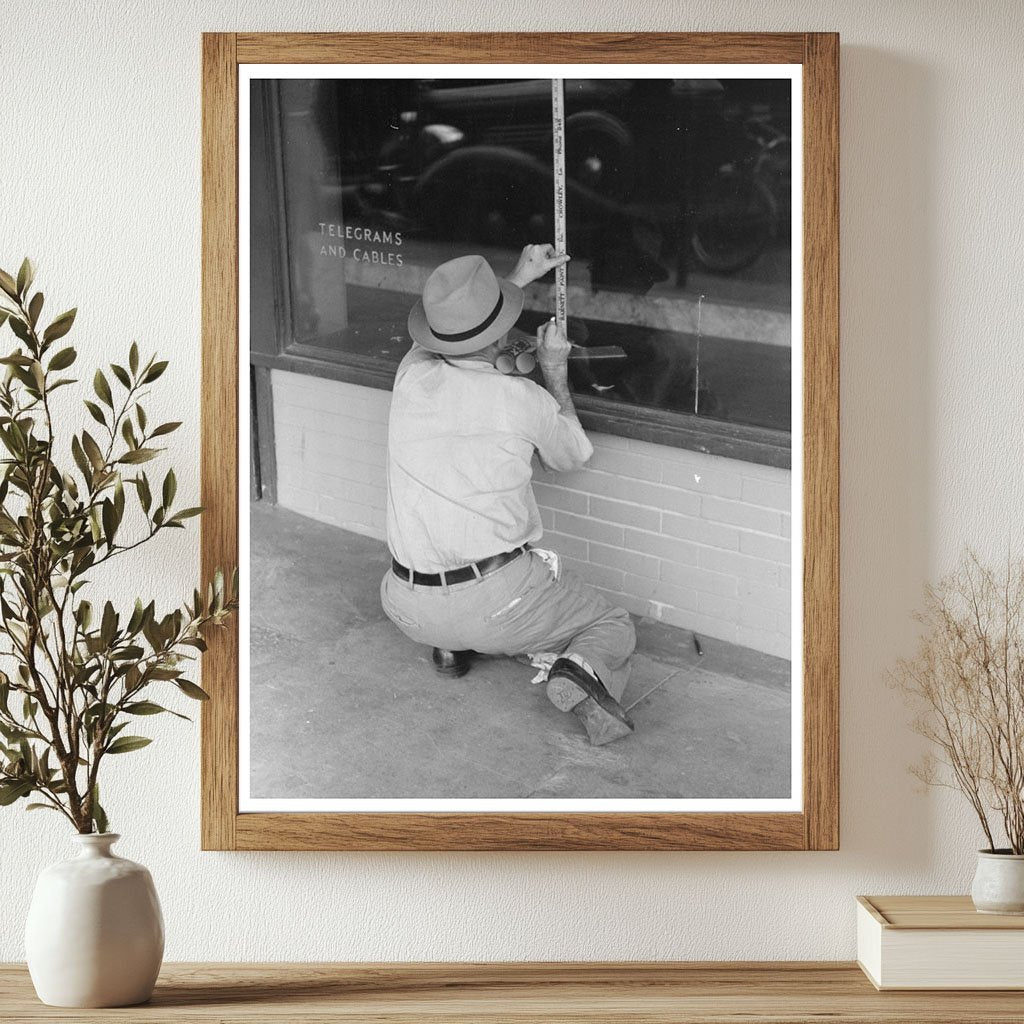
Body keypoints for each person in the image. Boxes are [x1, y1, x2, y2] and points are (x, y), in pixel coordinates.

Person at [380, 244, 637, 746]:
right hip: (496, 603)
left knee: (447, 561)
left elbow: (456, 337)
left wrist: (519, 277)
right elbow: (571, 456)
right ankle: (578, 671)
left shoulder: (411, 376)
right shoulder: (522, 398)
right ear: (502, 335)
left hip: (404, 605)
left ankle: (449, 646)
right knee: (612, 623)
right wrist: (553, 369)